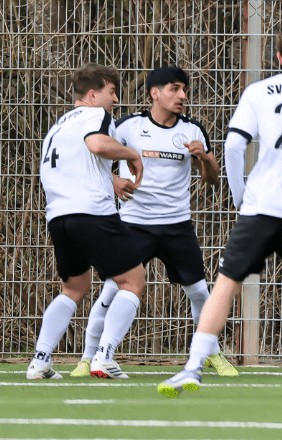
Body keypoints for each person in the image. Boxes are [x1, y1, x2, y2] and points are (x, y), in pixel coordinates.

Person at [157, 24, 282, 398]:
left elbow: (235, 146)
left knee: (227, 283)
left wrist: (241, 196)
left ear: (278, 57)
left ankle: (193, 368)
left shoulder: (259, 91)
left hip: (262, 206)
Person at [68, 66, 237, 379]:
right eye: (175, 89)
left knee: (200, 293)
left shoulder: (193, 130)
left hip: (177, 226)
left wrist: (207, 159)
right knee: (111, 291)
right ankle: (88, 357)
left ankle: (209, 353)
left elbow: (211, 180)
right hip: (134, 223)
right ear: (154, 93)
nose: (183, 96)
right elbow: (94, 155)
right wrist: (115, 180)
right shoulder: (127, 126)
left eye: (184, 90)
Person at [28, 63, 147, 380]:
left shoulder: (58, 127)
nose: (116, 99)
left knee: (73, 288)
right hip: (91, 212)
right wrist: (131, 154)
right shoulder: (98, 116)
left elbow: (77, 166)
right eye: (112, 91)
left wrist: (111, 180)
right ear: (94, 93)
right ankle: (104, 357)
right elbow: (96, 144)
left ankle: (40, 361)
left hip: (59, 216)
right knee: (133, 281)